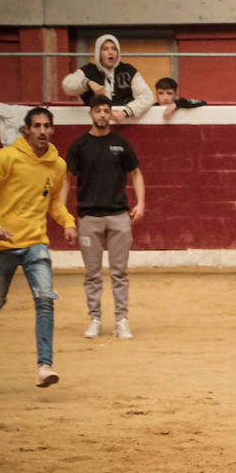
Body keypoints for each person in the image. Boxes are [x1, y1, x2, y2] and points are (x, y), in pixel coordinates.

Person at [0, 107, 79, 388]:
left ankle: (44, 366)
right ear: (26, 130)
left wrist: (67, 222)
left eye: (47, 126)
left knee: (45, 300)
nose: (42, 131)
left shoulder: (58, 165)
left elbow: (53, 202)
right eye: (36, 125)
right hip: (0, 242)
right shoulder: (6, 158)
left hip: (35, 243)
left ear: (52, 130)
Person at [66, 96, 145, 339]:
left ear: (110, 114)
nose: (102, 114)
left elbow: (136, 173)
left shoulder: (121, 144)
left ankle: (121, 320)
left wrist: (141, 203)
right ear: (90, 113)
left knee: (119, 272)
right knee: (92, 273)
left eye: (106, 111)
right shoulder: (79, 146)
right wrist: (67, 218)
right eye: (98, 110)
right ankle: (95, 319)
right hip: (89, 217)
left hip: (118, 216)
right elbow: (66, 180)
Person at [62, 34, 155, 123]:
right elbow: (67, 85)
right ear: (98, 53)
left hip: (125, 123)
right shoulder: (88, 70)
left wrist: (126, 112)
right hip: (94, 124)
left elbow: (147, 97)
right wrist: (88, 83)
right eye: (105, 49)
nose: (110, 52)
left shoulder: (128, 70)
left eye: (114, 49)